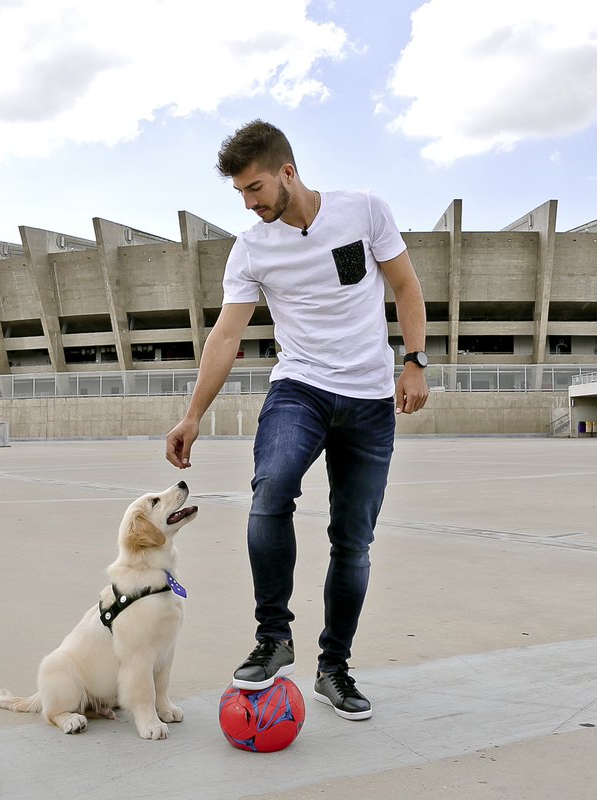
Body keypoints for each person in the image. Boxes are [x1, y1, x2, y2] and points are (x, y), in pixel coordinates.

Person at [165, 120, 428, 721]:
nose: (249, 202)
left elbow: (407, 286)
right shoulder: (251, 248)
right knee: (270, 492)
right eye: (240, 193)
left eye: (255, 187)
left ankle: (334, 669)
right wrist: (192, 414)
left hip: (367, 400)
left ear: (287, 171)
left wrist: (413, 362)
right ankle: (273, 636)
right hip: (299, 388)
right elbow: (226, 333)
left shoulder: (363, 211)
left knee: (352, 542)